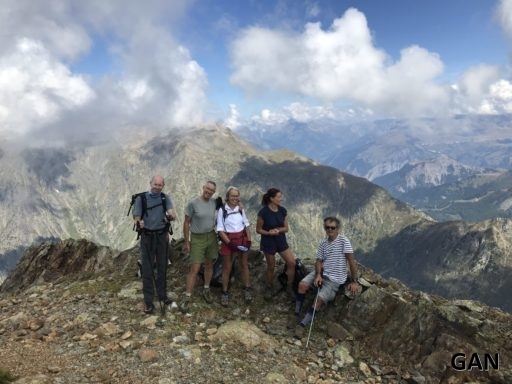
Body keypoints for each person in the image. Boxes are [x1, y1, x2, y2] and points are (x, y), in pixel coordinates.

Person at [292, 216, 361, 338]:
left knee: (319, 299)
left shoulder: (344, 241)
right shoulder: (323, 243)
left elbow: (351, 261)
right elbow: (318, 261)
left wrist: (354, 281)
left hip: (335, 279)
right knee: (302, 285)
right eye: (327, 227)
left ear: (337, 228)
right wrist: (318, 274)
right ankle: (296, 315)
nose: (330, 230)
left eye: (332, 227)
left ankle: (302, 325)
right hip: (322, 272)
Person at [132, 175, 176, 314]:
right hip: (147, 237)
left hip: (162, 236)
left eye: (160, 185)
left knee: (162, 266)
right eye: (155, 184)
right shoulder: (141, 199)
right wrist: (139, 222)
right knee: (147, 268)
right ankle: (148, 301)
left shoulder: (164, 198)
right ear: (150, 183)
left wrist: (169, 216)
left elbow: (172, 213)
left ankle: (162, 296)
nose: (157, 187)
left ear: (163, 186)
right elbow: (136, 216)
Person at [182, 180, 219, 311]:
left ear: (214, 192)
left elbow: (230, 204)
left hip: (211, 236)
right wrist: (187, 241)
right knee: (195, 267)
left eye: (211, 190)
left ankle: (206, 288)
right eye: (207, 189)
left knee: (209, 264)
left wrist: (240, 205)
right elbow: (186, 222)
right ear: (203, 188)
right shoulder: (193, 203)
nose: (208, 192)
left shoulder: (214, 202)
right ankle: (187, 296)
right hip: (197, 238)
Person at [256, 187, 296, 300]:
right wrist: (269, 233)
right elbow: (258, 230)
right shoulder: (263, 212)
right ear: (271, 198)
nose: (281, 199)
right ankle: (269, 287)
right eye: (279, 197)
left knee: (291, 263)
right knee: (271, 266)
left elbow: (286, 228)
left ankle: (289, 286)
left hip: (280, 240)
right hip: (268, 242)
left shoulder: (283, 211)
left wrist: (278, 230)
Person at [216, 186, 252, 306]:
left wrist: (249, 240)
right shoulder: (222, 210)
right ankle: (224, 292)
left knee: (244, 264)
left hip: (242, 239)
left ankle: (247, 288)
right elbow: (220, 229)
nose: (234, 198)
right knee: (227, 268)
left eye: (236, 196)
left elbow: (246, 225)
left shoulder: (241, 209)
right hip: (229, 241)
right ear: (227, 197)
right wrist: (229, 243)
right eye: (232, 196)